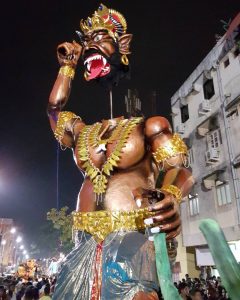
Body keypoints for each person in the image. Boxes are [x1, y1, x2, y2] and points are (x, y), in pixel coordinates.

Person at [48, 4, 193, 300]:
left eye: (99, 38)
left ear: (121, 45)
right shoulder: (83, 132)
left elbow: (179, 167)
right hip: (83, 241)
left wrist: (171, 195)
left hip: (132, 239)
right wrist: (67, 67)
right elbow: (54, 110)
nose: (90, 46)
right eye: (86, 42)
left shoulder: (149, 127)